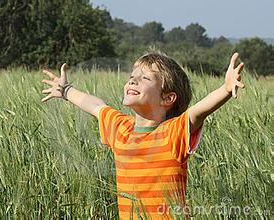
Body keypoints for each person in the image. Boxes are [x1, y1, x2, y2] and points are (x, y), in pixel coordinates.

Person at [41, 52, 245, 219]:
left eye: (144, 78)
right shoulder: (120, 127)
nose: (132, 81)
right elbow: (96, 106)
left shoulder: (173, 133)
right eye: (132, 78)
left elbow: (197, 112)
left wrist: (226, 89)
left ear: (167, 98)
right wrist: (66, 91)